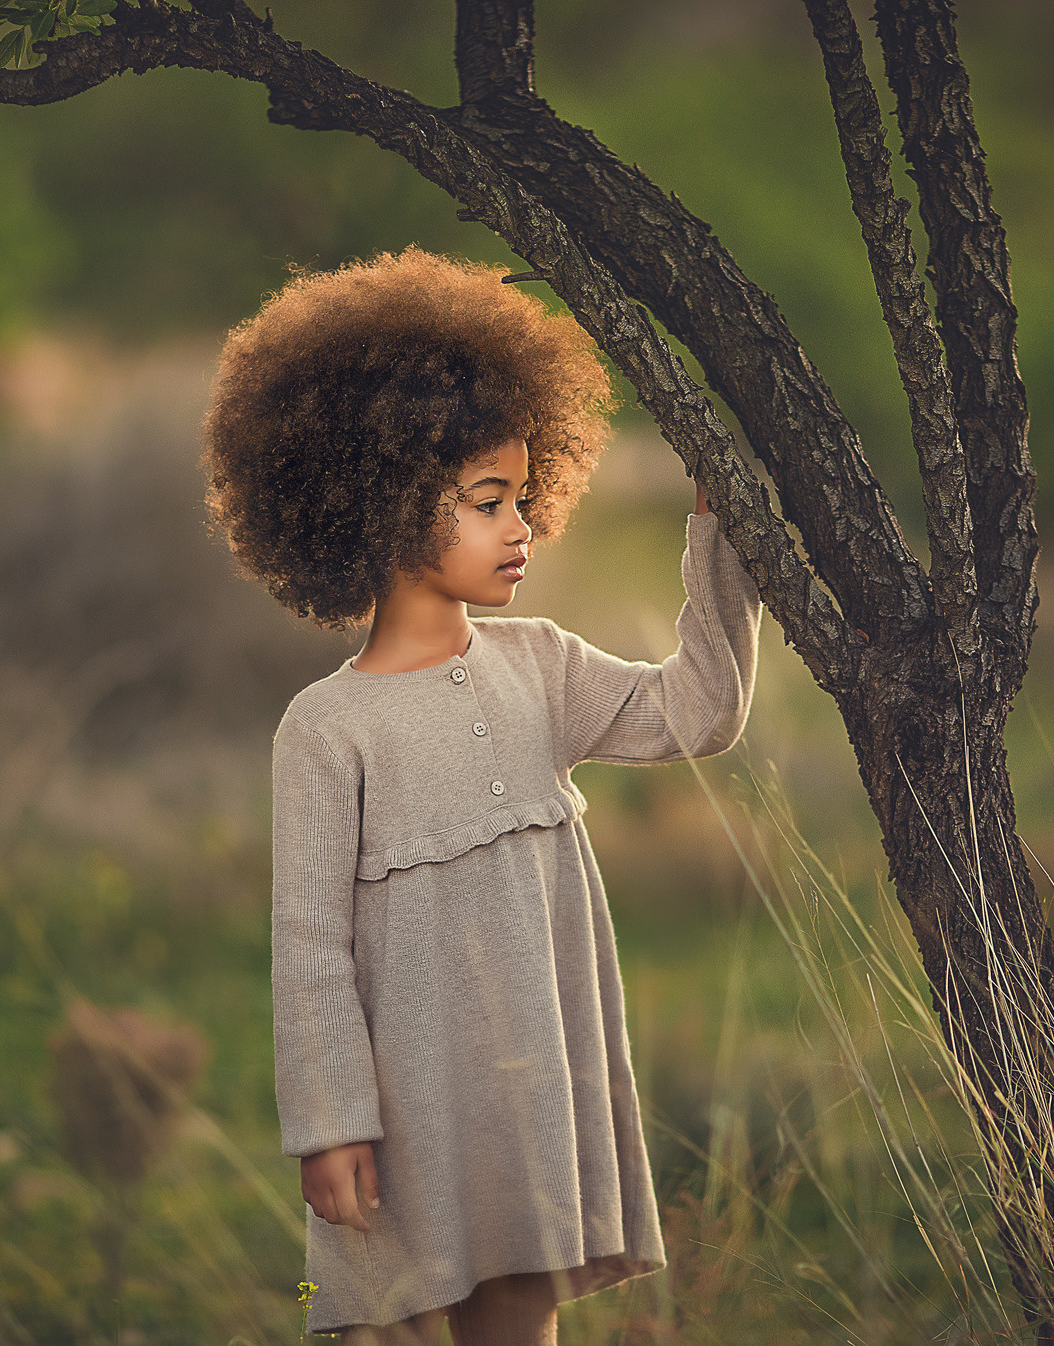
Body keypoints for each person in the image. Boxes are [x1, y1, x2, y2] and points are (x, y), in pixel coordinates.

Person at [200, 247, 762, 1344]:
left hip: (526, 1100)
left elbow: (699, 713)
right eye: (485, 500)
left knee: (518, 1315)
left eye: (522, 494)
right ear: (384, 502)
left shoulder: (540, 665)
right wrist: (327, 1124)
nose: (520, 527)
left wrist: (716, 533)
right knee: (396, 1319)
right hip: (401, 1113)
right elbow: (308, 944)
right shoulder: (326, 726)